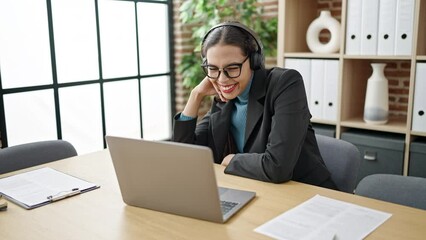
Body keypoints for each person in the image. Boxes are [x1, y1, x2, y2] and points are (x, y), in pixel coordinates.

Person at [172, 21, 338, 190]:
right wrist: (196, 95)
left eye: (232, 67)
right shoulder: (224, 102)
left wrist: (233, 160)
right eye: (213, 69)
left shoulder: (285, 84)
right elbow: (184, 157)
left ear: (254, 61)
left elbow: (277, 167)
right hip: (260, 193)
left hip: (307, 194)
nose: (222, 79)